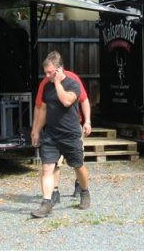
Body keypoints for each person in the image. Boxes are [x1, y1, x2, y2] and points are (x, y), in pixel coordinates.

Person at [30, 52, 91, 218]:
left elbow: (66, 101)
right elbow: (42, 109)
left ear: (59, 69)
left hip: (70, 134)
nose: (47, 76)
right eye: (45, 72)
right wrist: (36, 130)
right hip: (51, 134)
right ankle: (46, 203)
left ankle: (84, 191)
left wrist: (57, 83)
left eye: (50, 72)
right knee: (47, 167)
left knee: (78, 165)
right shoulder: (46, 86)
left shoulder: (73, 84)